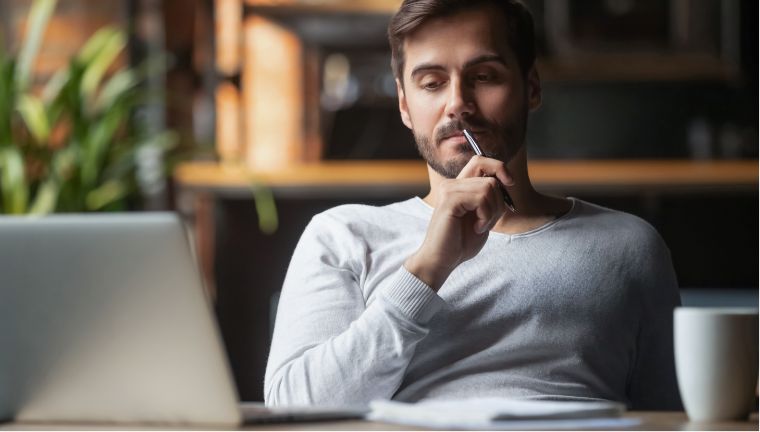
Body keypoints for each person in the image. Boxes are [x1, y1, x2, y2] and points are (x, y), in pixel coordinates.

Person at [264, 0, 682, 410]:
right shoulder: (343, 236)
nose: (458, 103)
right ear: (405, 104)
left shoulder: (630, 246)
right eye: (431, 83)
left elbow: (676, 417)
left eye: (484, 76)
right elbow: (295, 408)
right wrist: (427, 269)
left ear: (531, 87)